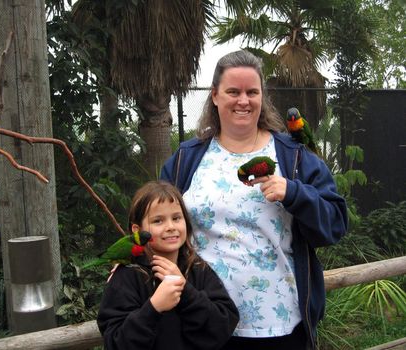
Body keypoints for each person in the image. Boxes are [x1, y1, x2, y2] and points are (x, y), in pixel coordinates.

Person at [160, 50, 348, 350]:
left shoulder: (294, 156)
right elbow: (156, 225)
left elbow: (336, 223)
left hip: (279, 326)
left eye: (252, 92)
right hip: (203, 321)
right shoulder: (187, 159)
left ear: (263, 97)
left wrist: (294, 193)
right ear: (215, 96)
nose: (243, 100)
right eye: (233, 91)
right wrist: (135, 259)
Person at [97, 180, 239, 350]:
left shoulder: (198, 269)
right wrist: (153, 307)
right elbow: (116, 342)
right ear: (137, 229)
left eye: (176, 218)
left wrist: (186, 292)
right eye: (158, 221)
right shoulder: (127, 276)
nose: (171, 227)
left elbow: (223, 325)